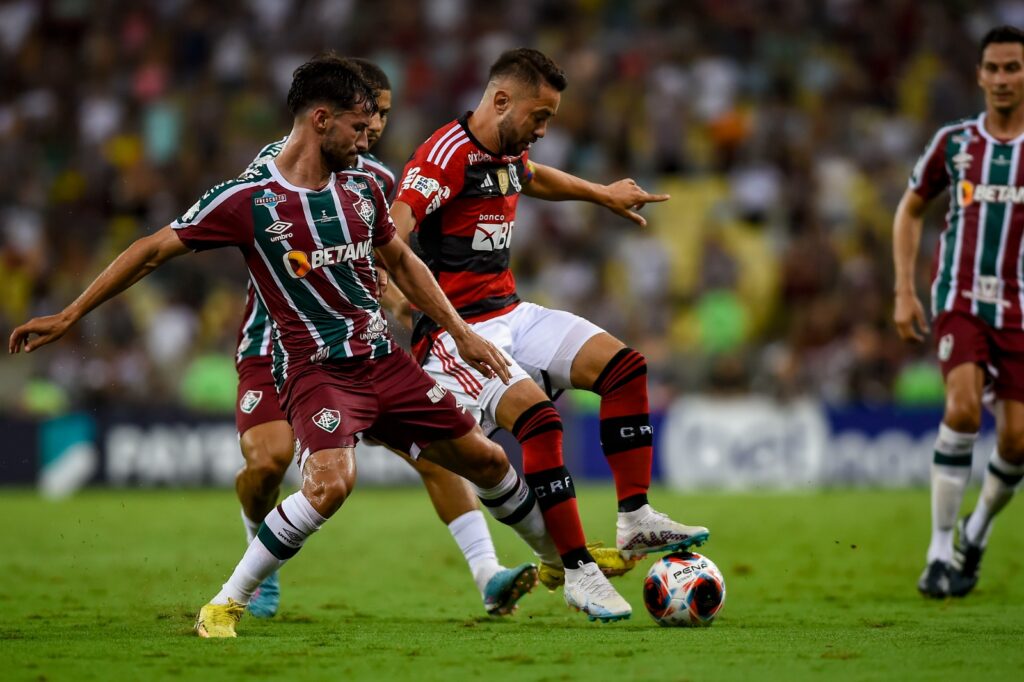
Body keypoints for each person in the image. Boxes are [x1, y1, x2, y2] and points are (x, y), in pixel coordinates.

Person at [8, 54, 599, 637]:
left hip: (380, 358)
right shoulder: (251, 198)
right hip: (309, 365)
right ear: (321, 120)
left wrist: (459, 333)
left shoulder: (368, 183)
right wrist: (71, 313)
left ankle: (568, 567)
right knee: (315, 479)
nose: (370, 140)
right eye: (361, 125)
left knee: (487, 460)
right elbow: (152, 248)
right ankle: (227, 601)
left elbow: (401, 261)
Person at [231, 58, 566, 620]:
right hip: (275, 346)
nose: (378, 126)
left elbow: (398, 261)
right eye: (371, 113)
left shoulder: (378, 181)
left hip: (359, 350)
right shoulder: (276, 167)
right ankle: (253, 544)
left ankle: (487, 574)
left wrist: (419, 312)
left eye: (384, 114)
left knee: (441, 455)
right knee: (269, 463)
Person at [389, 47, 711, 621]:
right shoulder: (443, 156)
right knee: (540, 421)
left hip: (511, 311)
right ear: (501, 100)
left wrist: (602, 193)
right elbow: (394, 229)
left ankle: (635, 517)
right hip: (454, 332)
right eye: (540, 116)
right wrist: (398, 293)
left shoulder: (510, 151)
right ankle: (579, 573)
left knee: (624, 368)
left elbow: (534, 178)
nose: (543, 129)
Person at [893, 25, 1024, 598]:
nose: (1002, 79)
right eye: (993, 68)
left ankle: (976, 531)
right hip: (960, 300)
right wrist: (904, 289)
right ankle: (938, 553)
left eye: (1013, 68)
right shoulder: (955, 143)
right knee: (965, 409)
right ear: (978, 74)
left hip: (1019, 307)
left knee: (1017, 442)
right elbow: (910, 210)